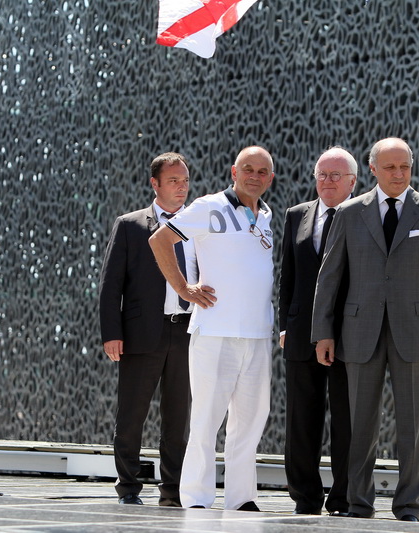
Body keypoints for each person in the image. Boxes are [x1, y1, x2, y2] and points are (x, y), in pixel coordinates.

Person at [312, 137, 419, 522]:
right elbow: (329, 277)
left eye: (405, 167)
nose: (399, 174)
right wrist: (323, 332)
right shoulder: (349, 213)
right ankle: (358, 503)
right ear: (372, 170)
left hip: (415, 333)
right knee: (360, 425)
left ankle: (409, 505)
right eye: (391, 167)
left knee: (413, 426)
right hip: (358, 332)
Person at [148, 146, 275, 511]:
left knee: (250, 423)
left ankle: (241, 498)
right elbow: (159, 240)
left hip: (257, 334)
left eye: (262, 171)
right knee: (206, 420)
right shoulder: (208, 206)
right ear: (234, 172)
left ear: (270, 178)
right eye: (248, 169)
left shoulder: (266, 214)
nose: (254, 176)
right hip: (215, 332)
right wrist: (183, 288)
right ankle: (196, 498)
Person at [98, 152, 196, 506]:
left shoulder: (198, 224)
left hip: (187, 333)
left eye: (185, 181)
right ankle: (128, 488)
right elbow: (111, 284)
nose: (181, 187)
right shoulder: (131, 225)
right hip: (142, 333)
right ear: (155, 184)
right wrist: (112, 333)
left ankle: (173, 491)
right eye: (173, 181)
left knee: (178, 419)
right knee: (131, 415)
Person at [277, 147, 356, 515]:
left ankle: (343, 497)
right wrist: (284, 325)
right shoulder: (296, 215)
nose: (328, 181)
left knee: (347, 421)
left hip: (349, 335)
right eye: (322, 174)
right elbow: (288, 276)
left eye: (336, 175)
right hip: (301, 332)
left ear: (353, 182)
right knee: (301, 420)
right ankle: (305, 498)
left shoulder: (364, 215)